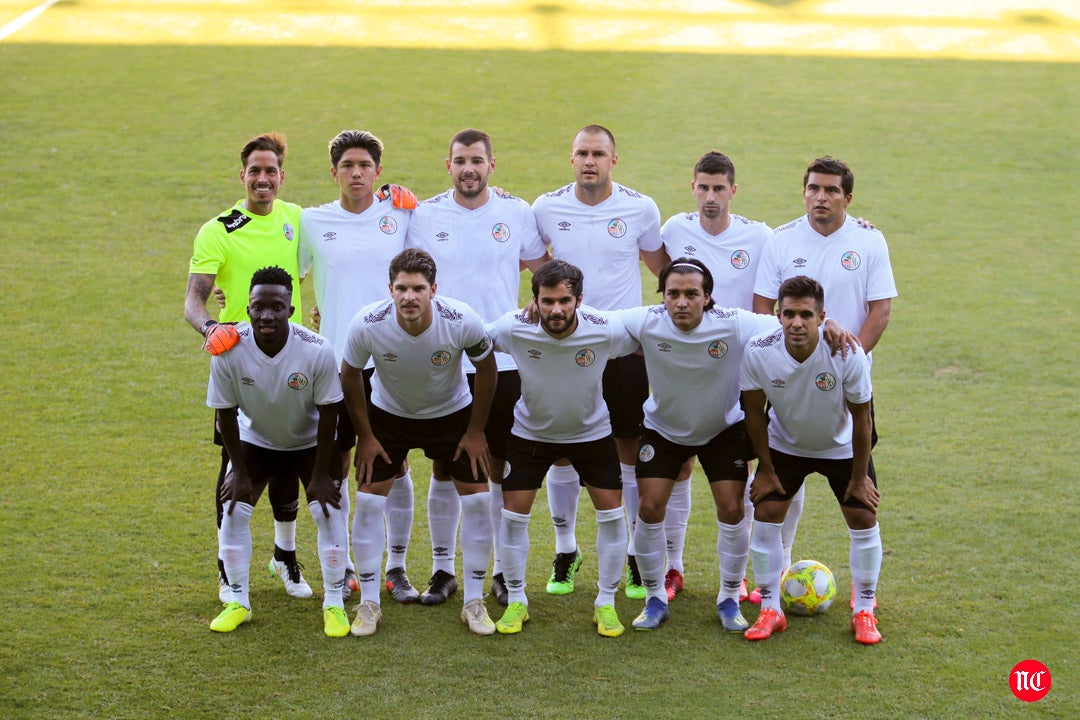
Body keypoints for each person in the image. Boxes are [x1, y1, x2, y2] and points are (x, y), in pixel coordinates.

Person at [614, 260, 856, 632]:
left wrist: (830, 323)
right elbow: (591, 321)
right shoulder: (646, 321)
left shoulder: (732, 322)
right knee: (648, 506)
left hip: (721, 430)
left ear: (707, 297)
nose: (681, 302)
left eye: (691, 294)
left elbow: (789, 321)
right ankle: (653, 598)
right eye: (673, 294)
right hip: (663, 429)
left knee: (731, 509)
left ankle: (728, 597)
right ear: (662, 297)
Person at [405, 128, 548, 607]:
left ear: (492, 165)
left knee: (502, 467)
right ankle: (444, 570)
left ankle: (505, 573)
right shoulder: (424, 215)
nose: (469, 169)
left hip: (502, 360)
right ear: (448, 166)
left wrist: (535, 307)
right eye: (460, 160)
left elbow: (542, 268)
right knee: (445, 468)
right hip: (442, 359)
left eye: (477, 160)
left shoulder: (516, 211)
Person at [752, 155, 896, 604]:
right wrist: (796, 357)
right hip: (787, 377)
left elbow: (880, 311)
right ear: (804, 192)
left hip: (848, 383)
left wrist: (843, 360)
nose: (821, 196)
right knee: (781, 475)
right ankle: (777, 571)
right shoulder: (780, 239)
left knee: (859, 494)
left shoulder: (869, 241)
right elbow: (762, 308)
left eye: (832, 190)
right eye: (814, 188)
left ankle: (865, 597)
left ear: (847, 198)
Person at [532, 124, 665, 599]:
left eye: (599, 154)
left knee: (627, 447)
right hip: (567, 349)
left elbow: (662, 269)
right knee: (564, 448)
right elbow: (533, 262)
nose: (590, 161)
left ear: (614, 160)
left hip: (623, 347)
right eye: (582, 153)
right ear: (571, 160)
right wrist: (548, 302)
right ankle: (567, 550)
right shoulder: (546, 207)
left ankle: (631, 553)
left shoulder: (640, 207)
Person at [340, 248, 498, 636]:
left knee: (479, 501)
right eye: (401, 288)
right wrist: (366, 436)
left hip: (451, 414)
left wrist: (476, 432)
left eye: (418, 289)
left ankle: (474, 603)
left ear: (434, 290)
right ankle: (369, 605)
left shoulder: (461, 319)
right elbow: (349, 374)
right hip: (389, 416)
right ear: (389, 290)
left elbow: (488, 368)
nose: (409, 297)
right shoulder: (367, 323)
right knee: (369, 501)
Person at [184, 132, 310, 602]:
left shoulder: (299, 219)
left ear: (281, 175)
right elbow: (194, 298)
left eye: (270, 171)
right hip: (239, 361)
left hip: (294, 355)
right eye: (254, 171)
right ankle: (226, 569)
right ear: (242, 176)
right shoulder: (219, 229)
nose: (263, 179)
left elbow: (351, 227)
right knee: (235, 465)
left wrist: (392, 198)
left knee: (291, 455)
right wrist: (210, 328)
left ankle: (284, 556)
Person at [486, 260, 639, 638]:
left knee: (611, 518)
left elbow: (649, 335)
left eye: (565, 301)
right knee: (513, 518)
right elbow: (474, 339)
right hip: (529, 436)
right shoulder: (513, 327)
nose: (556, 310)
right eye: (547, 301)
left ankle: (605, 603)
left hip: (592, 436)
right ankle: (518, 600)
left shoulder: (605, 330)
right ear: (534, 300)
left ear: (579, 300)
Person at [299, 129, 419, 605]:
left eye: (364, 166)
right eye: (346, 165)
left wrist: (404, 197)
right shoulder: (311, 221)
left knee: (396, 463)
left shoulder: (402, 214)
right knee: (337, 463)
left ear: (378, 172)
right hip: (334, 362)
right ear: (333, 172)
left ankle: (396, 566)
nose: (355, 173)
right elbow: (283, 271)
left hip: (392, 361)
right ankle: (344, 564)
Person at [206, 266, 350, 637]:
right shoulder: (228, 349)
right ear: (249, 308)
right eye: (258, 307)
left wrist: (320, 474)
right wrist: (237, 470)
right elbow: (225, 412)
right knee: (233, 507)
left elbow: (330, 411)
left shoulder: (316, 350)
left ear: (290, 308)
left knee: (328, 510)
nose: (266, 315)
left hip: (310, 443)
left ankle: (334, 602)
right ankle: (238, 600)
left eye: (276, 306)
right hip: (256, 442)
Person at [656, 150, 774, 602]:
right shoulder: (674, 229)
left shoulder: (759, 236)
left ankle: (740, 576)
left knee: (743, 471)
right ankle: (673, 567)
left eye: (719, 188)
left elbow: (777, 286)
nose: (710, 197)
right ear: (693, 188)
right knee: (681, 462)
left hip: (742, 368)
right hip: (687, 363)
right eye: (703, 187)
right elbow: (664, 279)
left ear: (733, 191)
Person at [740, 275, 883, 644]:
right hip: (786, 443)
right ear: (778, 314)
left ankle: (864, 610)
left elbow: (863, 418)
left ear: (822, 317)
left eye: (806, 314)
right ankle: (771, 609)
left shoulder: (847, 353)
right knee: (767, 512)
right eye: (788, 314)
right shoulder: (759, 350)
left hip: (842, 446)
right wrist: (766, 470)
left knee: (862, 514)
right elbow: (754, 413)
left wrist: (858, 477)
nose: (796, 323)